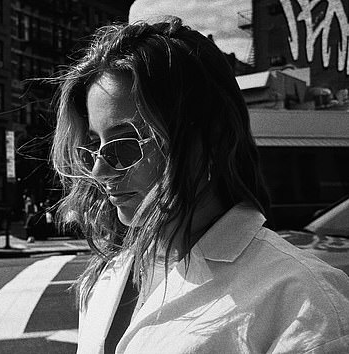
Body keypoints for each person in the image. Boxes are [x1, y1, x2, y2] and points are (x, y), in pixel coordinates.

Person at [50, 18, 349, 353]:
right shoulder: (108, 275)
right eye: (93, 146)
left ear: (207, 140)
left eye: (125, 144)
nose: (99, 169)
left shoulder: (302, 299)